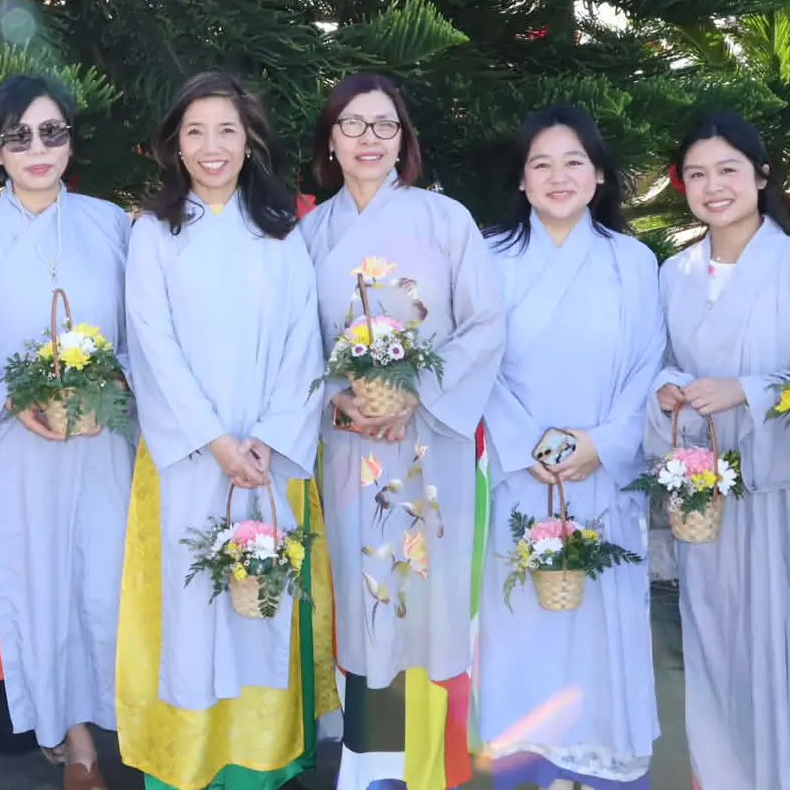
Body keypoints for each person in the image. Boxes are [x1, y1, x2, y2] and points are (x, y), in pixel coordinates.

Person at [113, 71, 338, 790]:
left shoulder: (281, 234)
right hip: (187, 457)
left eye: (227, 131)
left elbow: (304, 341)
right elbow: (151, 344)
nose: (212, 147)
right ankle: (186, 766)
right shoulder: (154, 234)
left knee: (259, 606)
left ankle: (260, 764)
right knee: (189, 611)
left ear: (250, 142)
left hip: (268, 457)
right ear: (174, 145)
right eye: (196, 132)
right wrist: (214, 442)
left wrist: (267, 437)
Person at [650, 112, 790, 790]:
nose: (713, 186)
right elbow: (653, 361)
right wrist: (665, 389)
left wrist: (746, 390)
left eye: (728, 170)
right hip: (705, 496)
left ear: (761, 176)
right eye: (697, 174)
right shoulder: (673, 272)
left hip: (787, 494)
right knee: (717, 647)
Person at [0, 74, 132, 790]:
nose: (37, 149)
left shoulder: (112, 224)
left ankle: (122, 717)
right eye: (18, 137)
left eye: (52, 132)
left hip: (102, 442)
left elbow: (147, 326)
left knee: (103, 581)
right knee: (37, 586)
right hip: (17, 443)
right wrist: (12, 398)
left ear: (70, 140)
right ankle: (74, 739)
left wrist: (117, 384)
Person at [297, 73, 504, 790]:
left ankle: (434, 770)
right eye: (352, 124)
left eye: (385, 125)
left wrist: (414, 393)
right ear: (330, 139)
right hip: (350, 446)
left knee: (430, 605)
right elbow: (293, 345)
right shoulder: (308, 234)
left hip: (429, 447)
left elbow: (485, 324)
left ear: (403, 139)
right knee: (366, 604)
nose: (369, 139)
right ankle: (373, 771)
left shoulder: (446, 220)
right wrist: (341, 402)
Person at [476, 105, 661, 790]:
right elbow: (477, 364)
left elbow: (649, 364)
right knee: (520, 623)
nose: (558, 177)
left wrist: (601, 443)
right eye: (541, 164)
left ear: (599, 175)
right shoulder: (488, 258)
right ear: (521, 180)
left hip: (601, 473)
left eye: (573, 162)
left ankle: (596, 763)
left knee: (599, 625)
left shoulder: (633, 261)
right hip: (519, 472)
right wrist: (527, 446)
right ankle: (525, 762)